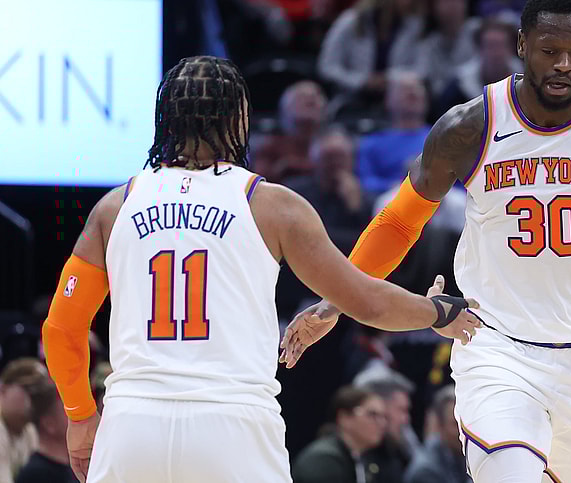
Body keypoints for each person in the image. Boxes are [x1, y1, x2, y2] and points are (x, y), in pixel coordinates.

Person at [282, 0, 571, 480]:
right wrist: (336, 301)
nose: (564, 64)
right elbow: (399, 222)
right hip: (497, 347)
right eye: (550, 51)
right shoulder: (470, 125)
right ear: (522, 45)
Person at [39, 55, 481, 483]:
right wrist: (437, 311)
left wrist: (79, 415)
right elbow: (366, 300)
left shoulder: (114, 207)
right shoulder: (270, 205)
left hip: (132, 424)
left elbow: (61, 329)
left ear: (164, 120)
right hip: (231, 424)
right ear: (240, 121)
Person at [292, 386, 389, 483]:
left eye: (383, 417)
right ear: (344, 418)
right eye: (372, 414)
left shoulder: (363, 460)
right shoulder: (324, 460)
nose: (382, 423)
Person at [404, 385, 471, 483]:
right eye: (455, 424)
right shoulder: (426, 471)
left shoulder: (461, 455)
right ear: (440, 425)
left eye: (466, 424)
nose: (463, 432)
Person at [14, 380, 76, 483]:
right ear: (49, 424)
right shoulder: (35, 474)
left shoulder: (72, 467)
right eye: (66, 411)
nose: (74, 416)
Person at [0, 359, 46, 483]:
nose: (36, 399)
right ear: (3, 390)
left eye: (40, 393)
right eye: (29, 390)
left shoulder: (29, 430)